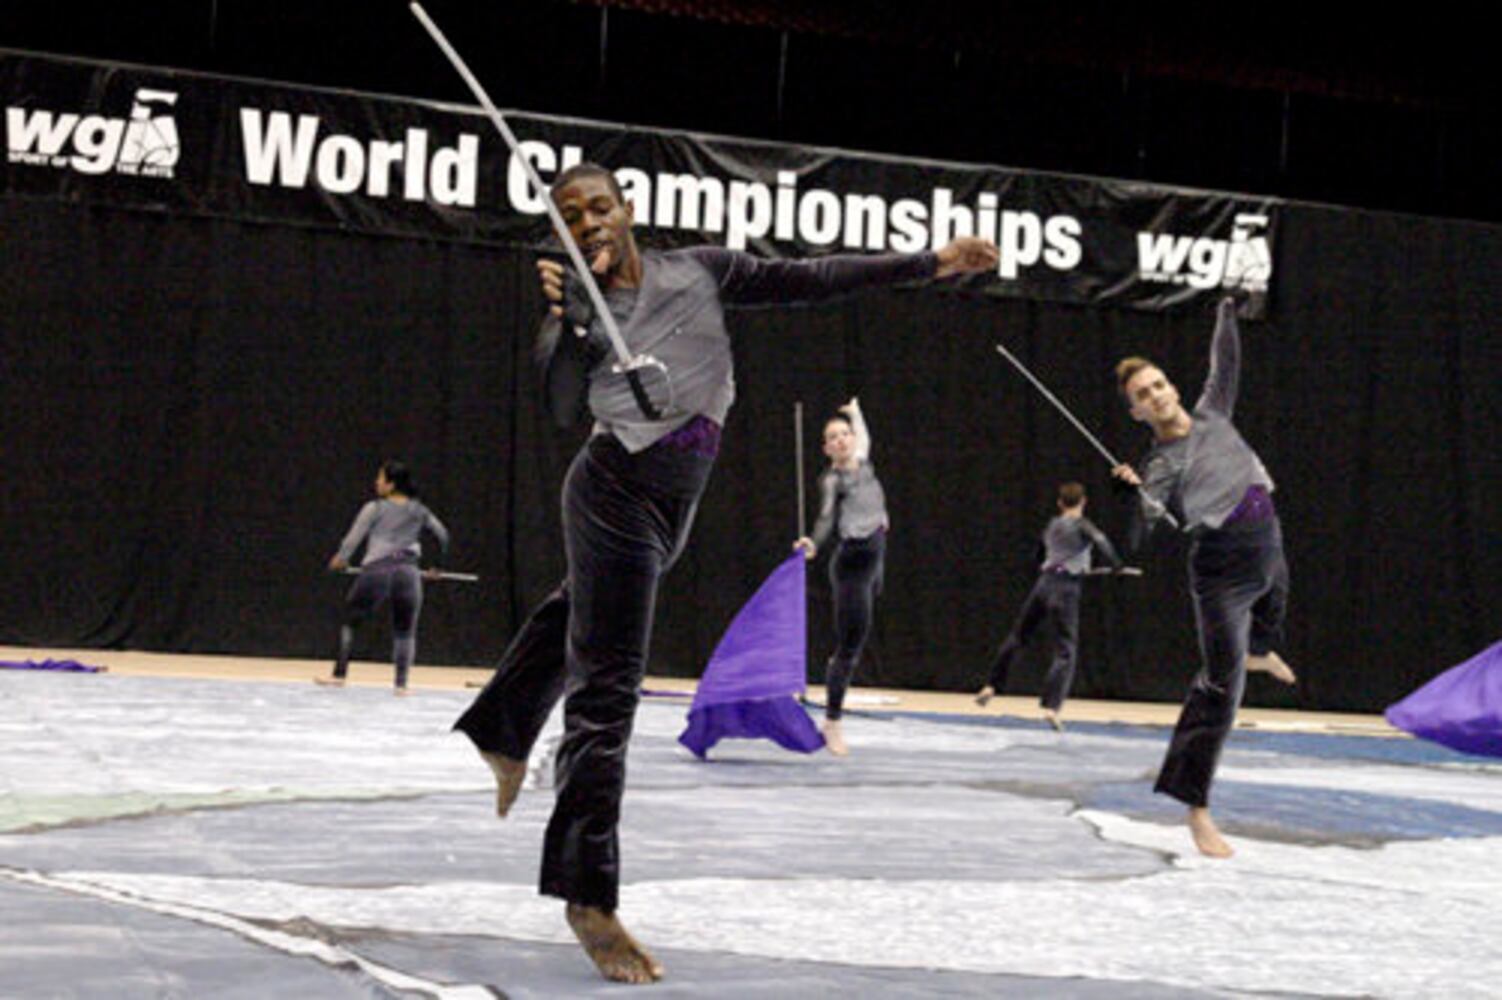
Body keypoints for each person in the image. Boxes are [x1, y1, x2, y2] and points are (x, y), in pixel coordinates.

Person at [454, 162, 999, 984]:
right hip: (612, 494)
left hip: (676, 505)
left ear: (627, 209)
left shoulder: (699, 272)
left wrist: (932, 263)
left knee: (581, 616)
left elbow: (811, 279)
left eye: (599, 205)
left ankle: (502, 731)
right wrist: (571, 326)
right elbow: (564, 406)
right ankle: (587, 896)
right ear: (562, 235)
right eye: (570, 217)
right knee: (608, 689)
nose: (590, 221)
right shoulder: (571, 310)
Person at [1110, 296, 1296, 859]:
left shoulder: (1213, 411)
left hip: (1267, 543)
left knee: (1277, 602)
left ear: (1171, 386)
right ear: (1137, 413)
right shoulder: (1159, 466)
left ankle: (1261, 648)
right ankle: (1197, 812)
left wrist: (1226, 315)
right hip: (1220, 575)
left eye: (1159, 385)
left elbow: (1225, 363)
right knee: (1219, 690)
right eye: (1142, 396)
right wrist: (1134, 494)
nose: (1155, 396)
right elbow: (1141, 537)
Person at [973, 481, 1127, 731]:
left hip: (1044, 584)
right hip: (1066, 586)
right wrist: (1117, 565)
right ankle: (1051, 706)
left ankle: (991, 685)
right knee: (1066, 648)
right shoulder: (1082, 524)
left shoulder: (1052, 525)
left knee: (1019, 636)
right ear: (1084, 502)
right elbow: (1101, 541)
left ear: (1060, 503)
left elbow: (1039, 553)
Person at [792, 398, 887, 756]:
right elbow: (826, 519)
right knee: (849, 650)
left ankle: (833, 697)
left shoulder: (863, 461)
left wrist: (855, 412)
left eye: (845, 434)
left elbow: (864, 436)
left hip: (877, 559)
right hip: (852, 569)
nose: (843, 440)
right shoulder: (832, 480)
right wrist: (813, 545)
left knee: (856, 640)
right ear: (827, 448)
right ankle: (832, 721)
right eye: (834, 437)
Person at [319, 460, 449, 695]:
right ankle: (401, 685)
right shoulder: (420, 510)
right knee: (405, 631)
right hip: (409, 572)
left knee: (349, 621)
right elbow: (443, 536)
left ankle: (339, 674)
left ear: (391, 485)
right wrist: (436, 567)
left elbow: (352, 540)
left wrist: (340, 560)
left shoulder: (374, 508)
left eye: (380, 479)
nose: (376, 483)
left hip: (377, 571)